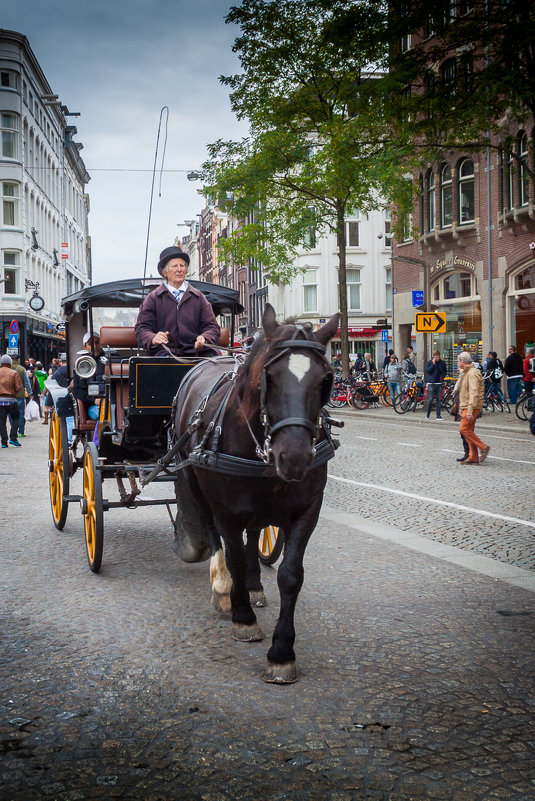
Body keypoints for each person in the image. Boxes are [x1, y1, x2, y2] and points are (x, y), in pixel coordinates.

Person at [135, 246, 221, 357]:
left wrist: (204, 338)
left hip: (196, 352)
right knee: (163, 363)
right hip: (165, 351)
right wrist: (153, 338)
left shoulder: (199, 297)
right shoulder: (153, 298)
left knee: (216, 359)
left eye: (182, 266)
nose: (179, 269)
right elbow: (142, 329)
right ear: (164, 272)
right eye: (175, 266)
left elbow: (212, 327)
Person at [457, 351, 489, 465]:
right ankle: (473, 457)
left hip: (472, 406)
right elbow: (465, 391)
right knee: (468, 431)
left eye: (458, 361)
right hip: (468, 406)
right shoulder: (468, 372)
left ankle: (483, 447)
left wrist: (469, 410)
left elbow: (474, 392)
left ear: (462, 361)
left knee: (464, 429)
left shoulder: (472, 373)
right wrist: (461, 408)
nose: (457, 363)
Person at [72, 333, 106, 422]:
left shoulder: (110, 360)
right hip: (94, 405)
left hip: (112, 401)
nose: (95, 346)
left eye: (97, 343)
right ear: (85, 347)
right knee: (102, 414)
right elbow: (77, 390)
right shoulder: (81, 364)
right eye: (91, 344)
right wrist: (94, 400)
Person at [0, 354, 23, 448]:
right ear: (9, 363)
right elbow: (19, 387)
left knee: (1, 421)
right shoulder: (13, 373)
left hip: (0, 400)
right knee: (16, 418)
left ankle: (4, 442)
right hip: (11, 400)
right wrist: (13, 392)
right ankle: (13, 438)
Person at [9, 354, 31, 438]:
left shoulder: (6, 369)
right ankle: (21, 432)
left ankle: (14, 430)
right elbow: (27, 382)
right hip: (20, 395)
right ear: (18, 359)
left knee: (11, 414)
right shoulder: (22, 369)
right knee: (21, 414)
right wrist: (30, 393)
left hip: (9, 395)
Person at [424, 350, 447, 420]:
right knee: (430, 399)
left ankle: (438, 415)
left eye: (438, 357)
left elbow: (445, 370)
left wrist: (442, 377)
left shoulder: (442, 363)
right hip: (431, 383)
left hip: (438, 383)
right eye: (436, 357)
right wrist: (433, 364)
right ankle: (427, 414)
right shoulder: (429, 362)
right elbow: (428, 370)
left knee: (438, 400)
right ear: (433, 357)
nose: (437, 358)